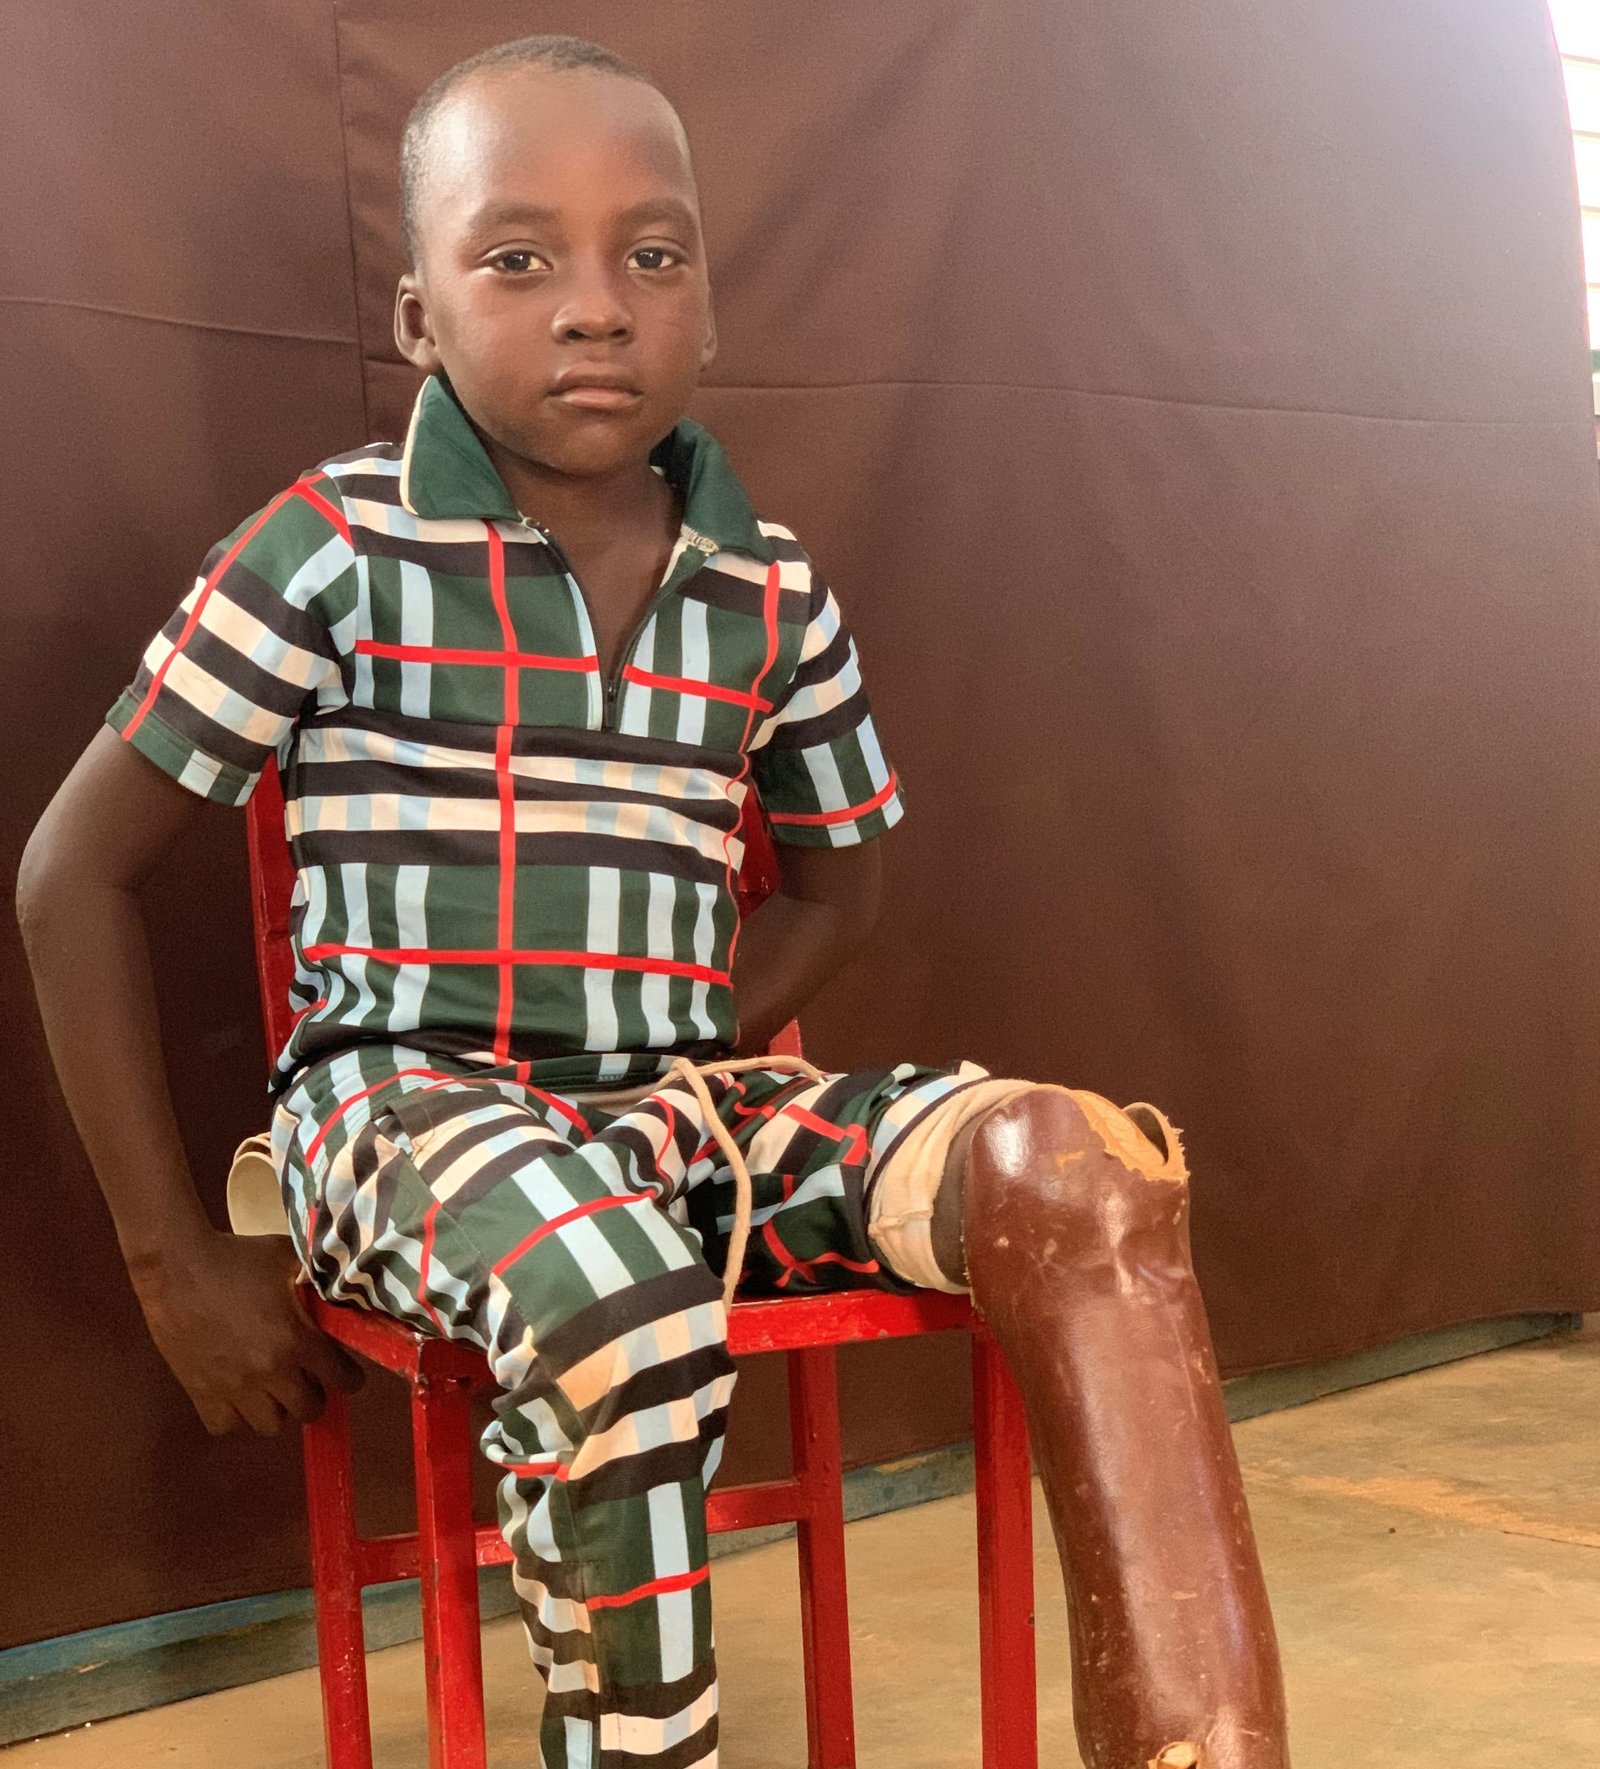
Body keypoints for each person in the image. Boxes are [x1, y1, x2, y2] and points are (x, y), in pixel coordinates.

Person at [16, 35, 1290, 1769]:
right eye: (518, 257)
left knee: (1074, 1179)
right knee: (612, 1291)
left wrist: (668, 1038)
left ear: (711, 308)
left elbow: (842, 885)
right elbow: (69, 873)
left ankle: (1200, 1744)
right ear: (418, 318)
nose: (596, 307)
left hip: (684, 1113)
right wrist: (174, 1267)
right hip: (402, 1114)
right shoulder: (335, 547)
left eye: (654, 254)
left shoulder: (770, 591)